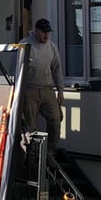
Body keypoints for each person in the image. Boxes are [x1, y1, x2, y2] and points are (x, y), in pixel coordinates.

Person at [19, 17, 65, 157]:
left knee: (55, 120)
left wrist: (60, 90)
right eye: (43, 32)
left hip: (47, 89)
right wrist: (18, 91)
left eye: (48, 33)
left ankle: (51, 151)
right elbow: (17, 69)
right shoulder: (24, 44)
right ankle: (29, 154)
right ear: (36, 31)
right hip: (30, 90)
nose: (46, 35)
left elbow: (57, 69)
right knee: (30, 125)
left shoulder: (51, 47)